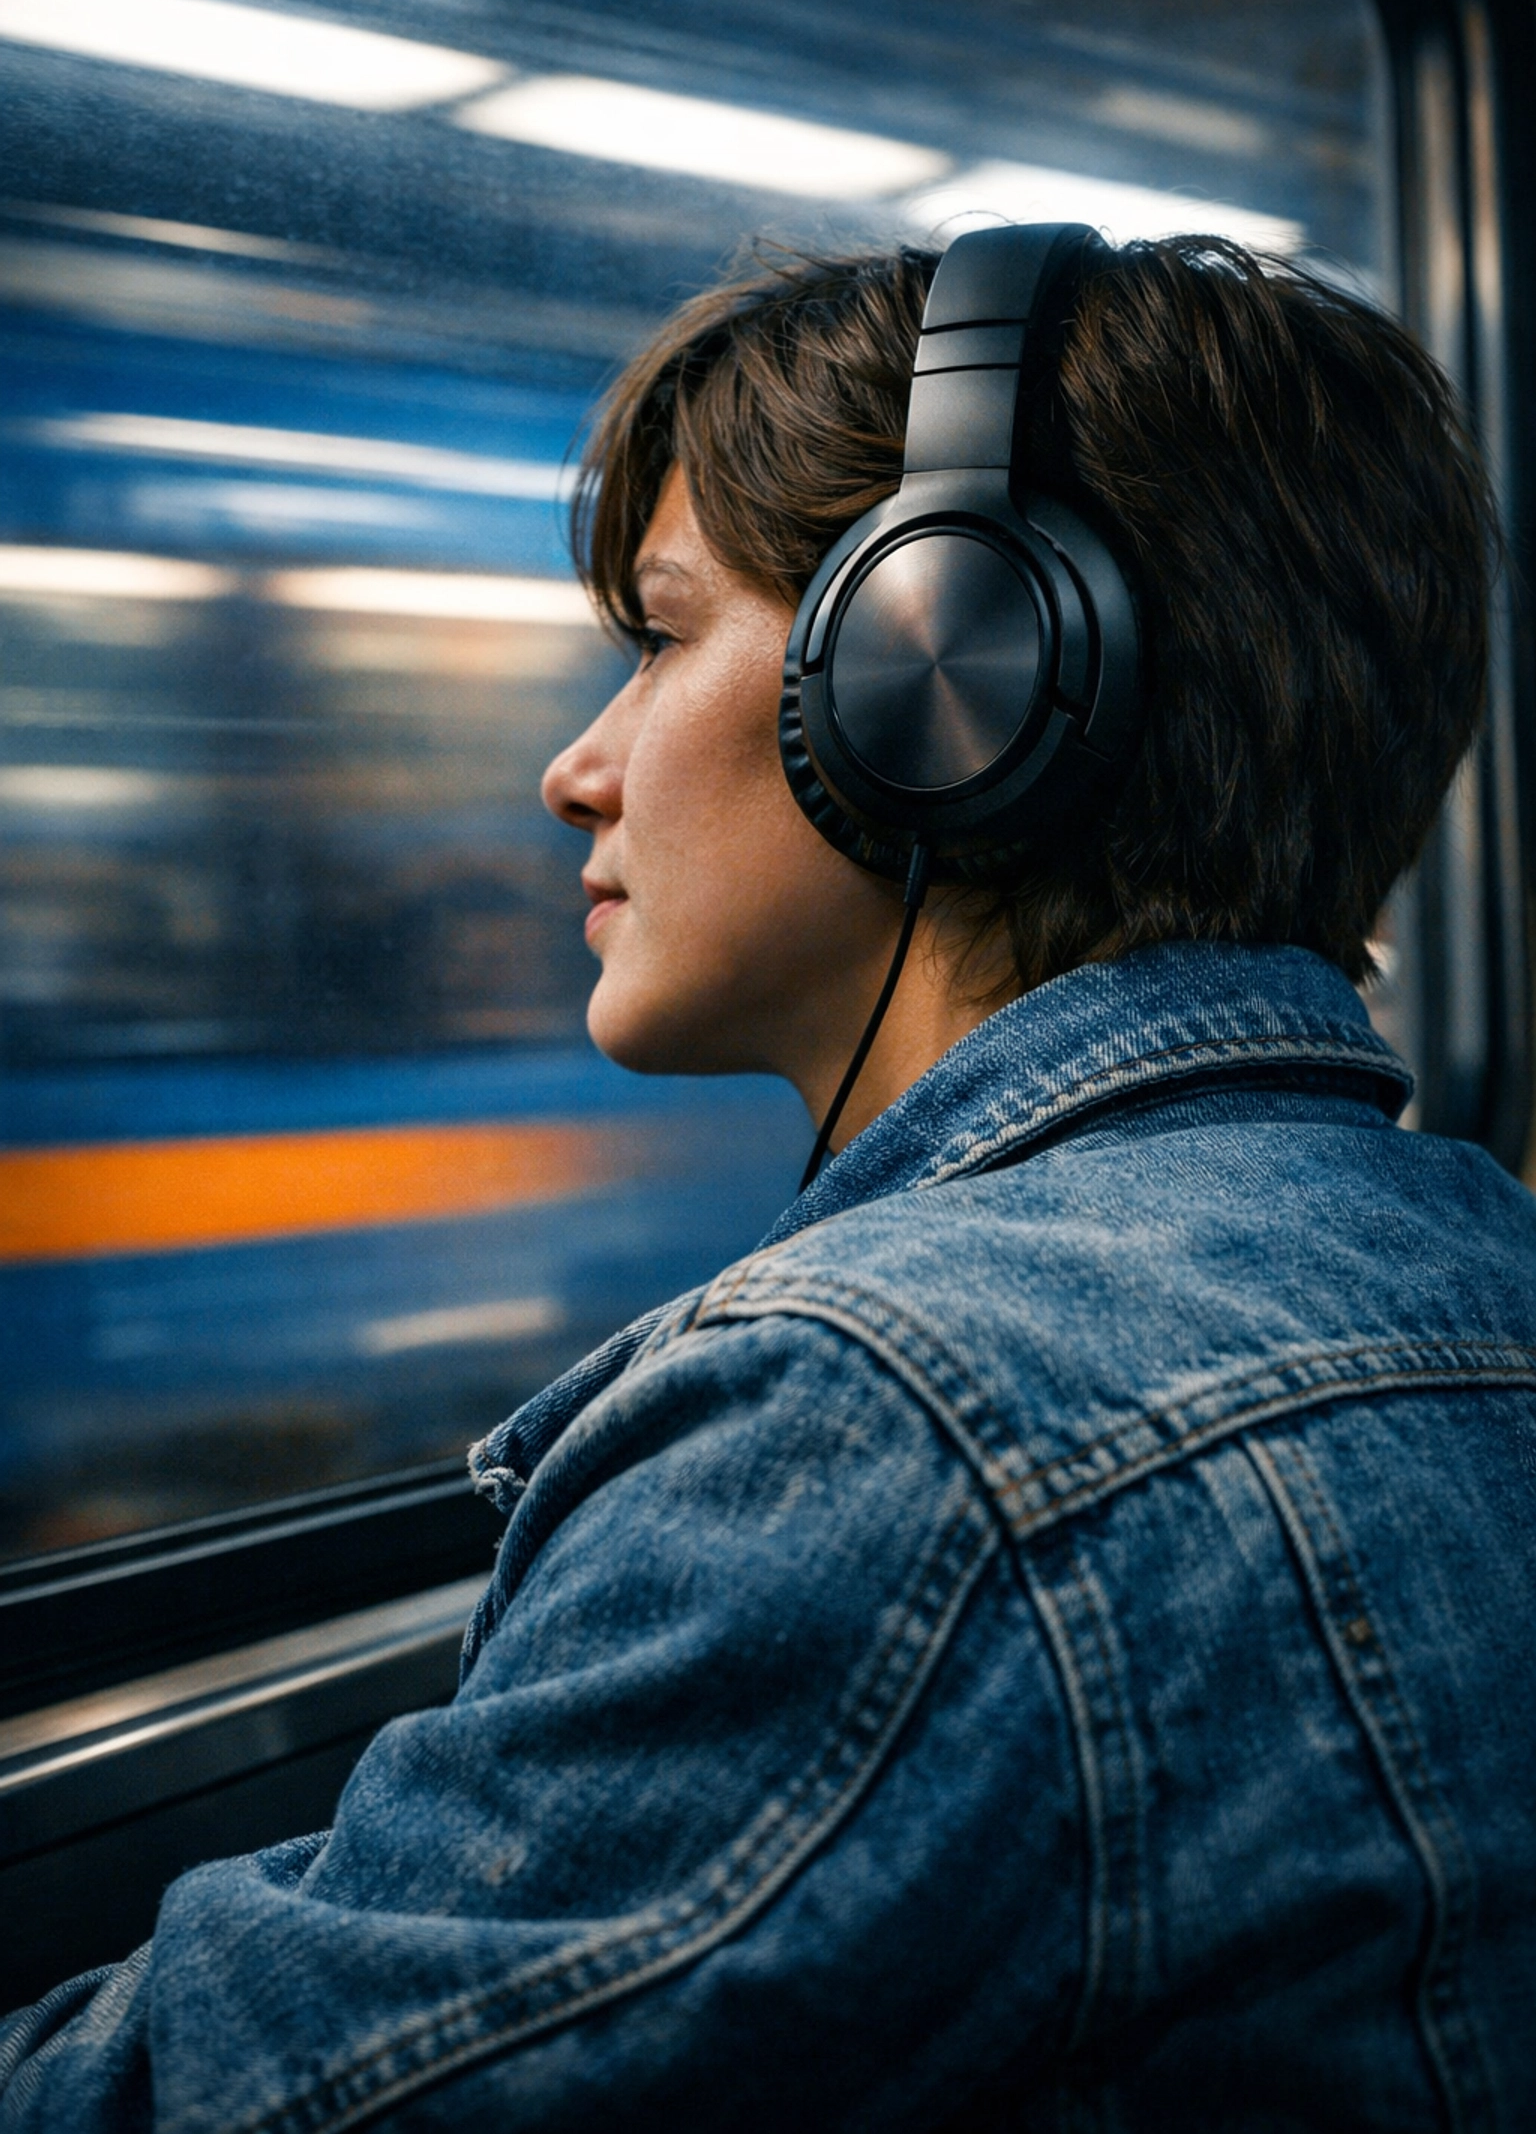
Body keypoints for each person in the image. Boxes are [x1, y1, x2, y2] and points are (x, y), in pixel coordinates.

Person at [4, 228, 1535, 2132]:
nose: (577, 768)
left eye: (657, 640)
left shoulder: (894, 1428)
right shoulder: (1483, 1251)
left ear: (944, 687)